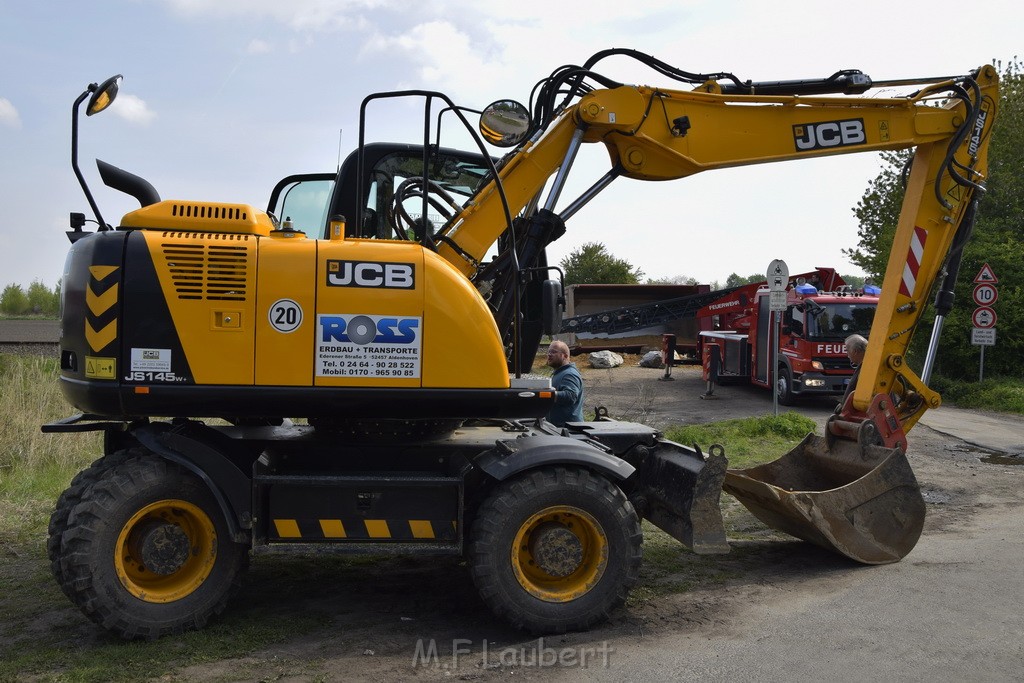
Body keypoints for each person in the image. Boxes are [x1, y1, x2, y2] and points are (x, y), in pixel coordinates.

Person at [545, 340, 584, 426]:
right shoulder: (560, 373)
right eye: (549, 352)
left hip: (569, 430)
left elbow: (571, 396)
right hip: (559, 428)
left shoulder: (570, 374)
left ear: (565, 356)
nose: (549, 354)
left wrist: (545, 394)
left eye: (553, 352)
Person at [837, 333, 868, 412]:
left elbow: (852, 386)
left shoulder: (865, 368)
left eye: (847, 350)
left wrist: (843, 405)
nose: (847, 355)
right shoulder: (867, 364)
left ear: (855, 351)